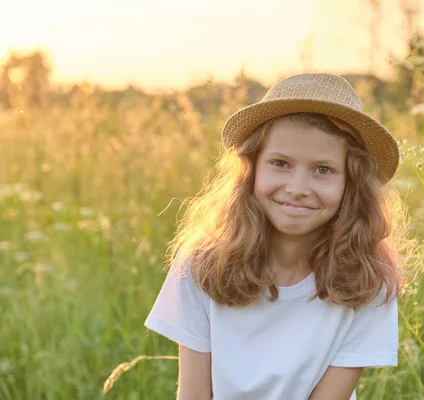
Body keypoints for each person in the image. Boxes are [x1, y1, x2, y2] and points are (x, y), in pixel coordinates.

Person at [144, 72, 405, 400]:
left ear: (350, 184)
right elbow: (193, 394)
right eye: (280, 163)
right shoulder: (201, 263)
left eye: (322, 170)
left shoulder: (369, 278)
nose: (297, 189)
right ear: (251, 170)